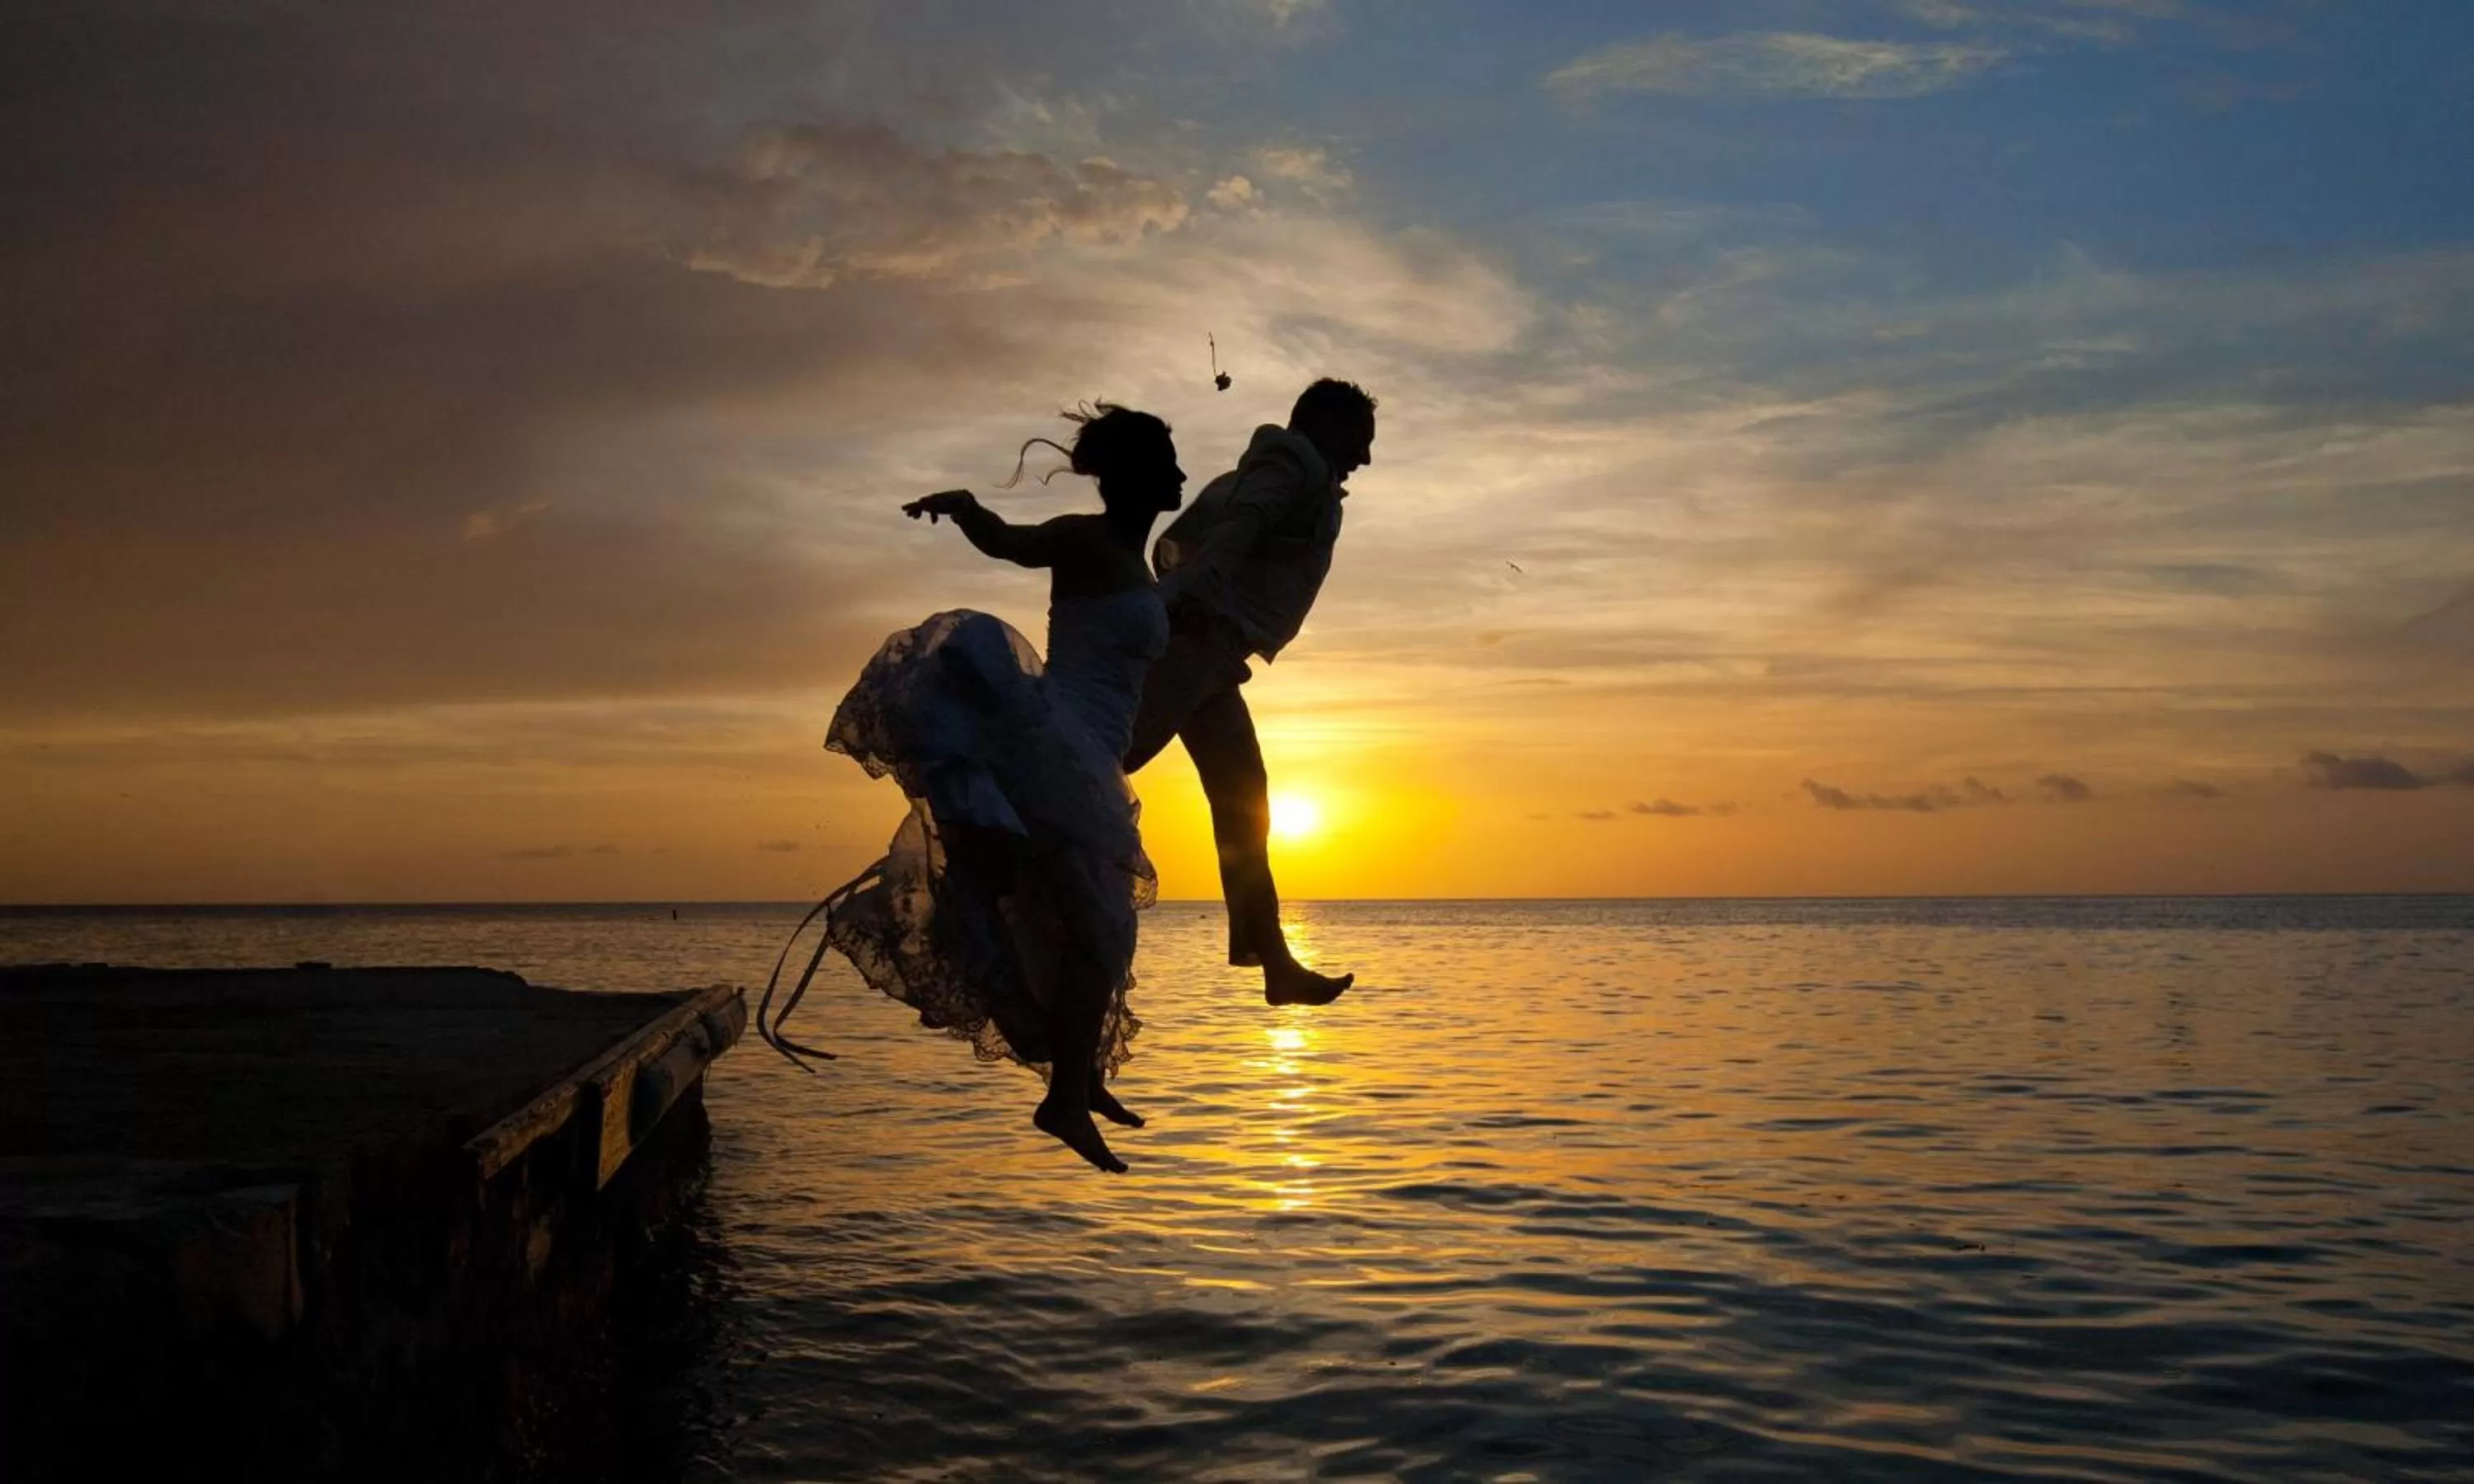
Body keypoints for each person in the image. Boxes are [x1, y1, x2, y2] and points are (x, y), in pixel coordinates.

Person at [817, 404, 1183, 1173]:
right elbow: (1013, 544)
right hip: (1063, 738)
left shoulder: (1147, 565)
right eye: (1170, 461)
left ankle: (1075, 1083)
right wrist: (969, 513)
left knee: (1089, 919)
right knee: (1102, 922)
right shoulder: (1083, 539)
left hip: (1097, 753)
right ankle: (1066, 1095)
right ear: (1139, 474)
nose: (1182, 474)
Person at [1125, 378, 1376, 1007]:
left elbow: (1211, 531)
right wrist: (1179, 600)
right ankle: (993, 862)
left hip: (1214, 653)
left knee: (1245, 799)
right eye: (1361, 441)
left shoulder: (1298, 470)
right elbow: (1241, 526)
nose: (1366, 459)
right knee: (1103, 758)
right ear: (1329, 427)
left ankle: (1273, 960)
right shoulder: (1293, 462)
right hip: (1194, 640)